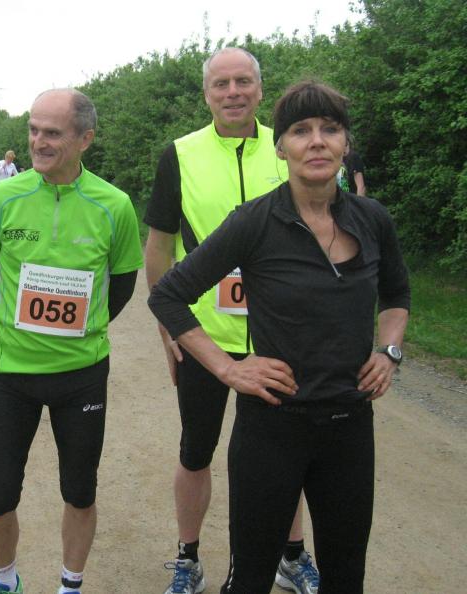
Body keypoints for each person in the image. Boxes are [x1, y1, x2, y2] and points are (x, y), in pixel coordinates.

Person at [149, 81, 410, 594]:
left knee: (346, 577)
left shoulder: (372, 218)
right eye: (300, 131)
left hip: (349, 428)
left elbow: (397, 293)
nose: (316, 141)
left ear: (346, 144)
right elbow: (169, 295)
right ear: (281, 147)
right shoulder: (254, 221)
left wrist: (389, 351)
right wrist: (227, 368)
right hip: (272, 429)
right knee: (250, 580)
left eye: (329, 129)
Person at [144, 47, 317, 594]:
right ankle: (188, 559)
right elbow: (159, 246)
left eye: (243, 81)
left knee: (286, 453)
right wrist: (168, 330)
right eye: (221, 84)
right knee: (196, 450)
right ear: (206, 94)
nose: (233, 92)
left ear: (261, 90)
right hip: (205, 337)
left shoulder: (289, 146)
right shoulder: (179, 154)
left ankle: (292, 557)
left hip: (280, 336)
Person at [0, 88, 143, 594]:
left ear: (85, 139)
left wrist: (79, 329)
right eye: (33, 130)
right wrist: (18, 322)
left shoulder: (115, 205)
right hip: (11, 371)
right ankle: (6, 579)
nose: (38, 142)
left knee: (80, 491)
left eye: (52, 133)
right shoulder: (1, 197)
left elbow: (122, 284)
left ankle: (71, 584)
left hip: (82, 373)